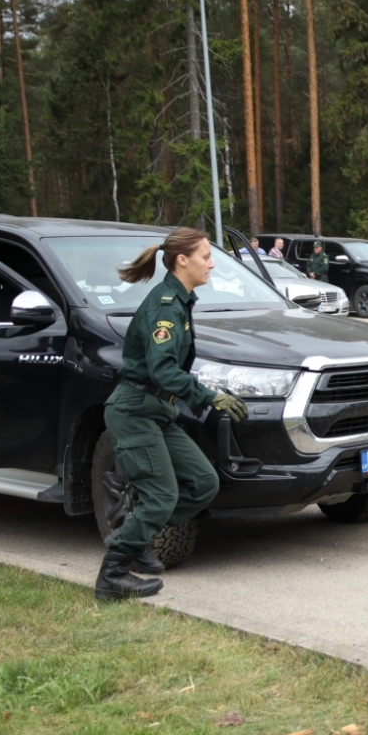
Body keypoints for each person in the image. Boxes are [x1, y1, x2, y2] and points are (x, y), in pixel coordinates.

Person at [96, 228, 249, 601]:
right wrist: (209, 396)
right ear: (183, 260)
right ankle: (112, 576)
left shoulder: (180, 301)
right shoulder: (165, 305)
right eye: (205, 257)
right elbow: (163, 370)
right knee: (161, 496)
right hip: (135, 411)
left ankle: (136, 536)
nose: (212, 264)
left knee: (202, 483)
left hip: (157, 411)